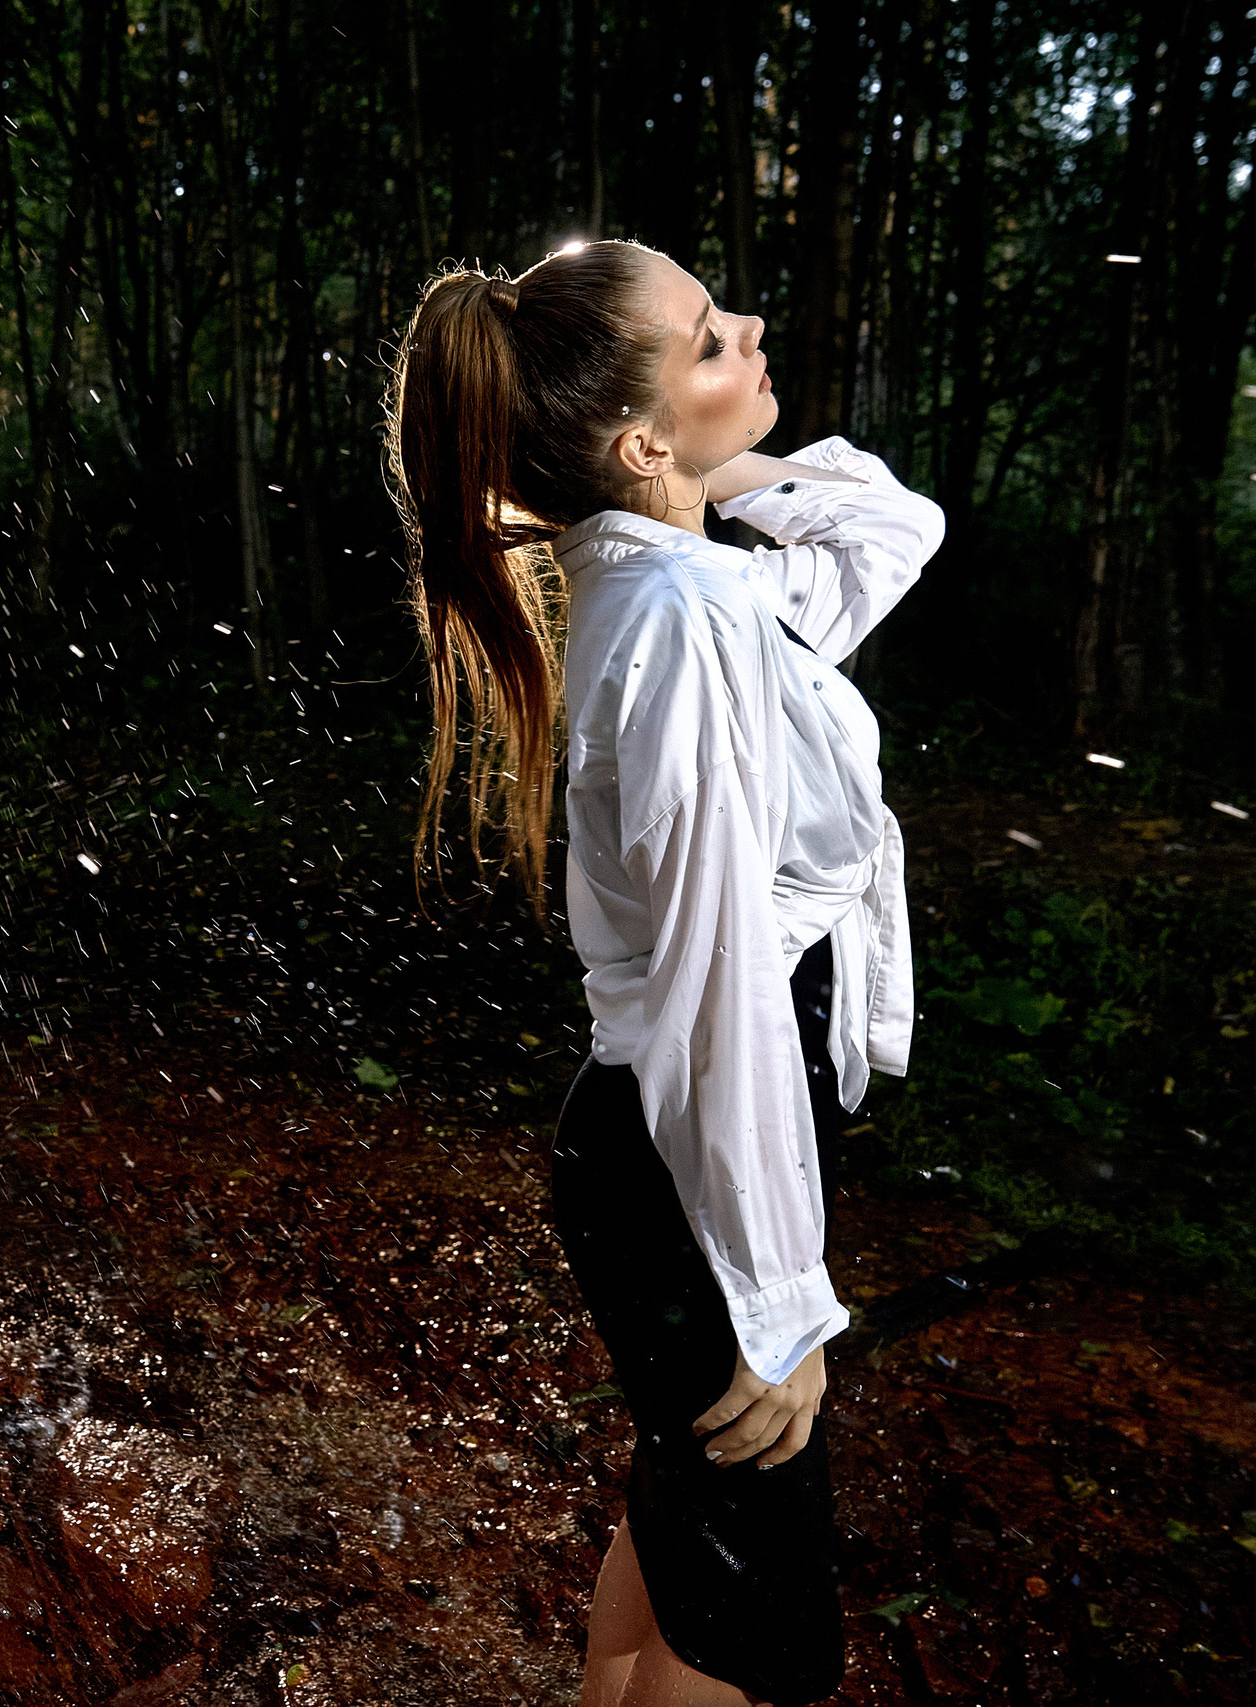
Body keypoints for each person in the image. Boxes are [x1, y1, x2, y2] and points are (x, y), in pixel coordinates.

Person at [383, 239, 943, 1706]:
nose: (749, 327)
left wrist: (692, 463)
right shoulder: (684, 621)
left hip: (683, 1145)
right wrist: (779, 1296)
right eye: (709, 339)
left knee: (694, 1536)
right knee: (754, 1638)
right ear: (640, 438)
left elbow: (890, 526)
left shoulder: (698, 585)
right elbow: (720, 987)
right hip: (696, 1154)